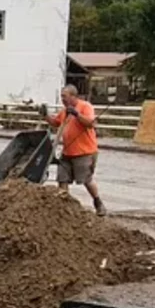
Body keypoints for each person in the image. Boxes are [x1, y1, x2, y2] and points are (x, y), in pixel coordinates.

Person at [43, 85, 106, 216]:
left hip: (84, 152)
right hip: (67, 152)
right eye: (61, 96)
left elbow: (90, 123)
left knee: (86, 179)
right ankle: (63, 208)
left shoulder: (85, 107)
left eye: (64, 96)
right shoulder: (65, 111)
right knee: (62, 179)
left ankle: (98, 202)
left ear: (73, 96)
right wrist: (45, 115)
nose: (62, 99)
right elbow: (55, 123)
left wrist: (76, 114)